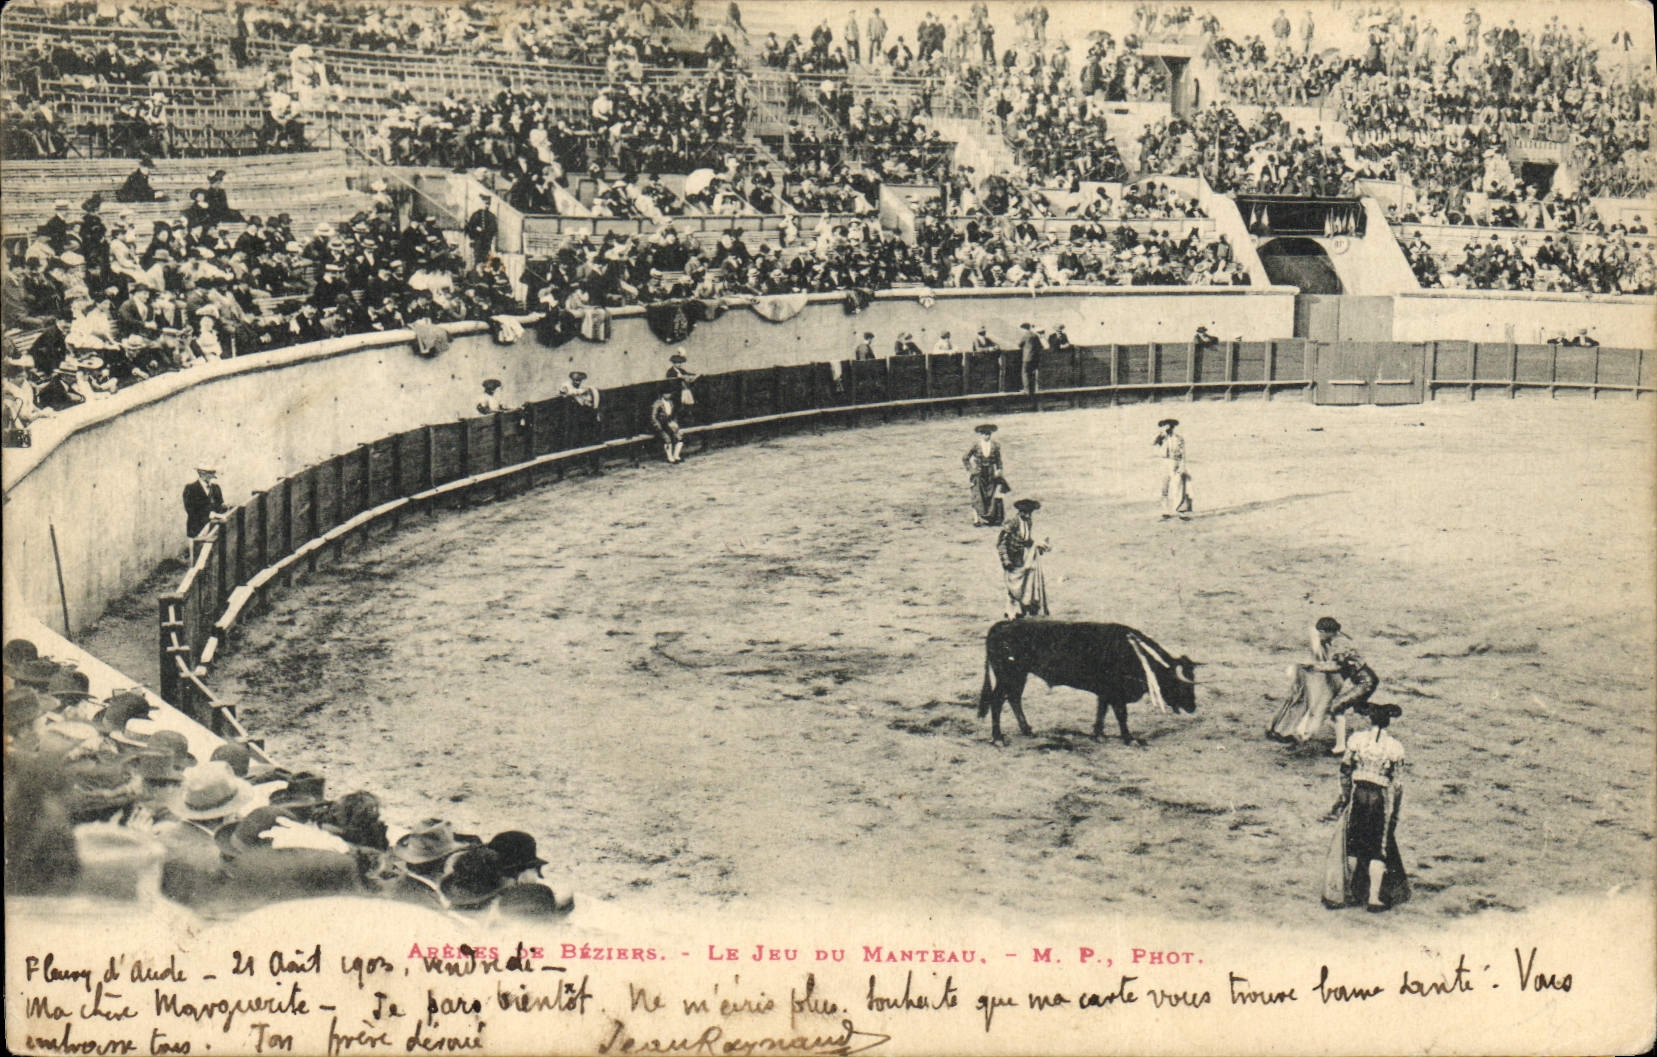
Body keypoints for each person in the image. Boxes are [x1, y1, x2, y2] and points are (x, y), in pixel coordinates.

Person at [1322, 702, 1409, 912]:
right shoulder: (1394, 747)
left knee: (1353, 842)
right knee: (1378, 848)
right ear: (1388, 722)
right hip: (1379, 798)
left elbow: (1344, 770)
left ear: (1370, 720)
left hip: (1358, 794)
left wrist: (1344, 796)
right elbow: (1397, 785)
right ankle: (1373, 898)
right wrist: (1394, 812)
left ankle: (1350, 892)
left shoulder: (1357, 740)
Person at [1267, 617, 1345, 744]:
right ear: (1323, 631)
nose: (1333, 637)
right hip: (1303, 675)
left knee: (1294, 702)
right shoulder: (1314, 644)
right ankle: (1282, 732)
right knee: (1299, 703)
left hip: (1304, 674)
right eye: (1331, 634)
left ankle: (1276, 728)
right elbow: (1312, 664)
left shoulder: (1316, 639)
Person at [997, 498, 1049, 618]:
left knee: (1022, 582)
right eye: (1024, 512)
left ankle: (1019, 610)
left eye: (1029, 512)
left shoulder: (1028, 522)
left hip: (1022, 555)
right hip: (1012, 555)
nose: (1027, 515)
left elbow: (1027, 540)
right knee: (1013, 583)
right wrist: (1006, 560)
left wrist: (1038, 546)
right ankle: (1010, 611)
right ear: (1019, 511)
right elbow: (1001, 543)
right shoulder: (1012, 522)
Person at [963, 423, 1008, 527]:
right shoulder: (976, 445)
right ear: (980, 434)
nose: (986, 436)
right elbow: (965, 458)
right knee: (977, 495)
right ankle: (976, 519)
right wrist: (971, 470)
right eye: (984, 434)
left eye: (988, 434)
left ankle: (991, 519)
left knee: (991, 495)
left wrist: (999, 469)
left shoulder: (995, 445)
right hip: (978, 473)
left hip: (991, 473)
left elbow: (998, 460)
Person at [1154, 418, 1191, 519]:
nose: (1167, 428)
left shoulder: (1179, 438)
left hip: (1175, 462)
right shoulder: (1160, 438)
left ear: (1172, 427)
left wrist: (1182, 465)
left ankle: (1180, 510)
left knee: (1178, 486)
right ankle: (1165, 511)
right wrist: (1161, 437)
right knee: (1164, 488)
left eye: (1169, 426)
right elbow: (1155, 448)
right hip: (1164, 463)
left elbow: (1183, 454)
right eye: (1164, 426)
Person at [183, 466, 227, 539]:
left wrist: (224, 507)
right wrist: (209, 514)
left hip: (214, 529)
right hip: (197, 530)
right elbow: (190, 510)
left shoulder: (216, 488)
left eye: (213, 472)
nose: (212, 475)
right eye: (209, 472)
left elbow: (220, 506)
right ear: (201, 473)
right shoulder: (190, 488)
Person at [651, 385, 684, 464]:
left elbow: (672, 415)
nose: (668, 395)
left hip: (669, 423)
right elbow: (653, 417)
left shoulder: (671, 402)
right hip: (661, 425)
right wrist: (658, 426)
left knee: (679, 437)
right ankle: (670, 458)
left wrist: (675, 424)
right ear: (662, 394)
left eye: (669, 393)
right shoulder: (657, 403)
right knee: (667, 439)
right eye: (666, 393)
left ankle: (676, 456)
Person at [464, 196, 498, 265]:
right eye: (485, 203)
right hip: (477, 241)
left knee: (485, 259)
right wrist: (475, 229)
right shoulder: (476, 214)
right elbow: (469, 227)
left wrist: (485, 232)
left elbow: (494, 229)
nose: (487, 206)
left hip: (486, 242)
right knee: (476, 259)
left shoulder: (491, 216)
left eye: (488, 204)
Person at [1018, 322, 1042, 393]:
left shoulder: (1025, 335)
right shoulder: (1035, 335)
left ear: (1023, 329)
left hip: (1027, 358)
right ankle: (1033, 390)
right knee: (1032, 373)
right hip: (1035, 358)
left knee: (1025, 373)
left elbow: (1020, 345)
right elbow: (1040, 346)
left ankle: (1027, 390)